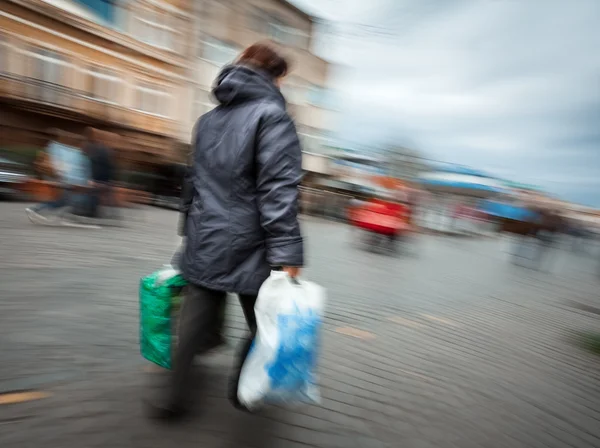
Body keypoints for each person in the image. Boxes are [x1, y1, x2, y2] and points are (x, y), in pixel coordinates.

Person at [147, 42, 304, 419]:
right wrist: (287, 252)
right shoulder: (272, 117)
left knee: (192, 327)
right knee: (264, 322)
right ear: (275, 77)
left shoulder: (208, 121)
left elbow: (193, 184)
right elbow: (278, 188)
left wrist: (187, 235)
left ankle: (172, 401)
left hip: (206, 238)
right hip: (253, 244)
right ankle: (242, 388)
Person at [26, 130, 91, 224]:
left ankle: (59, 215)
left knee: (66, 200)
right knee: (63, 200)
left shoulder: (71, 151)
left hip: (67, 180)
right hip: (68, 181)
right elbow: (70, 168)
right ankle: (35, 209)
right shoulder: (74, 153)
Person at [84, 128, 116, 219]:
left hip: (100, 179)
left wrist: (93, 179)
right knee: (97, 193)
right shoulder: (103, 149)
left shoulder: (99, 150)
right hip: (104, 178)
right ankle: (94, 211)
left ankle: (92, 212)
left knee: (93, 192)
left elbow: (98, 166)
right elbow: (109, 166)